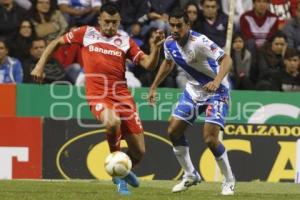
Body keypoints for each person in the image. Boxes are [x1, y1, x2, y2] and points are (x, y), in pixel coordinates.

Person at [31, 2, 164, 195]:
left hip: (123, 98)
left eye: (115, 22)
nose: (110, 26)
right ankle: (117, 174)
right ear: (99, 19)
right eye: (107, 22)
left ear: (119, 21)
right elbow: (56, 42)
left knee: (139, 152)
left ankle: (123, 170)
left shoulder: (125, 40)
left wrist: (155, 48)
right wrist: (40, 64)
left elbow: (149, 65)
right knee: (111, 122)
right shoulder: (86, 33)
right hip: (98, 95)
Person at [148, 8, 235, 195]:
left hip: (217, 91)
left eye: (179, 25)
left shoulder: (200, 42)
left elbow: (227, 60)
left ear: (188, 25)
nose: (175, 29)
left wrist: (217, 81)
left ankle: (228, 179)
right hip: (193, 91)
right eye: (172, 25)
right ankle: (190, 174)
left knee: (210, 139)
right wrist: (154, 86)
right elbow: (168, 63)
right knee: (173, 130)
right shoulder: (169, 43)